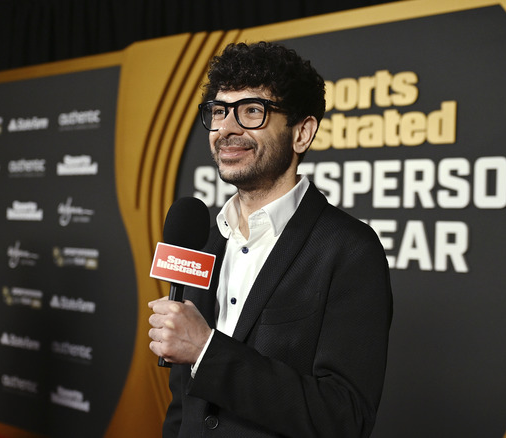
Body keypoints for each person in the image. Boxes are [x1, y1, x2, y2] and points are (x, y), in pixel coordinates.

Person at [148, 41, 393, 437]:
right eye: (219, 111)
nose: (227, 129)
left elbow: (345, 417)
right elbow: (184, 403)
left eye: (251, 111)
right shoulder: (206, 241)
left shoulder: (349, 249)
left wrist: (207, 351)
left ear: (302, 133)